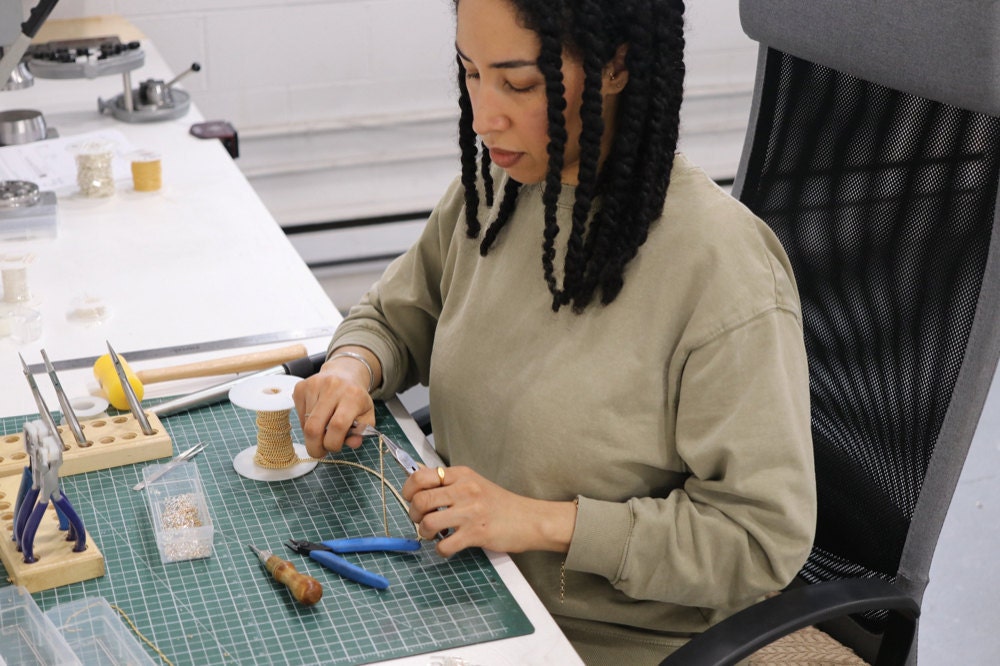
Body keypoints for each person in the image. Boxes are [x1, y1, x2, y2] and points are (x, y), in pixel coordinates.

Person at [292, 0, 817, 662]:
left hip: (591, 643)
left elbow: (759, 538)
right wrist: (350, 368)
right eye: (470, 72)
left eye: (520, 83)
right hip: (467, 587)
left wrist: (539, 522)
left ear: (617, 63)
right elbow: (400, 312)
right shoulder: (499, 188)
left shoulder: (720, 269)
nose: (484, 116)